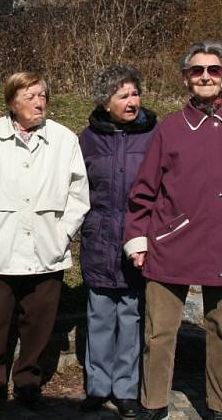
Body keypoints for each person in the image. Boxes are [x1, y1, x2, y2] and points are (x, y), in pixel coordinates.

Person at [124, 42, 222, 420]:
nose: (205, 76)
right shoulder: (169, 129)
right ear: (186, 78)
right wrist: (138, 237)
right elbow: (145, 188)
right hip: (170, 239)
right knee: (159, 333)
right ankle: (153, 401)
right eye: (197, 70)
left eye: (213, 69)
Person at [0, 71, 90, 411]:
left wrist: (62, 235)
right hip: (0, 251)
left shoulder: (63, 139)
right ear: (12, 101)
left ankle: (28, 383)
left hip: (48, 250)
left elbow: (78, 195)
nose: (39, 102)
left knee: (38, 325)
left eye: (42, 95)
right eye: (30, 96)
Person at [78, 65, 158, 418]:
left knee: (131, 314)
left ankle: (126, 389)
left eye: (135, 93)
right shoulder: (87, 139)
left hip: (137, 239)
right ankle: (97, 386)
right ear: (105, 102)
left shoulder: (155, 135)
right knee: (98, 314)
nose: (132, 101)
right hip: (98, 238)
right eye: (123, 95)